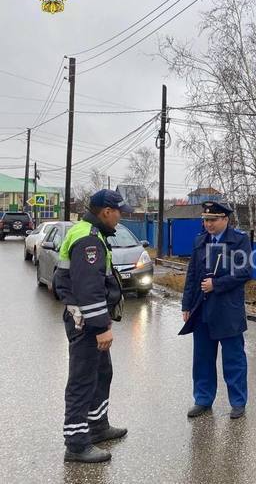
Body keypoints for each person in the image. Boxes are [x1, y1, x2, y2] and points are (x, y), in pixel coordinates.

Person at [54, 190, 131, 463]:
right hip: (85, 321)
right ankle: (76, 444)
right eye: (119, 211)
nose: (121, 217)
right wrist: (102, 327)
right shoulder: (89, 238)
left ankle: (97, 427)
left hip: (89, 319)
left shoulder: (92, 233)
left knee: (102, 372)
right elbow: (89, 290)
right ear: (106, 211)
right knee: (82, 380)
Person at [180, 201, 252, 419]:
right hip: (202, 309)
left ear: (225, 219)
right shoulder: (200, 241)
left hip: (227, 310)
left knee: (234, 359)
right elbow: (192, 275)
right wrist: (186, 305)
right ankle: (203, 399)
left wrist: (216, 285)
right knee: (202, 358)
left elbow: (245, 272)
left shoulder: (239, 241)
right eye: (205, 220)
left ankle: (238, 402)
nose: (208, 224)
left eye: (212, 220)